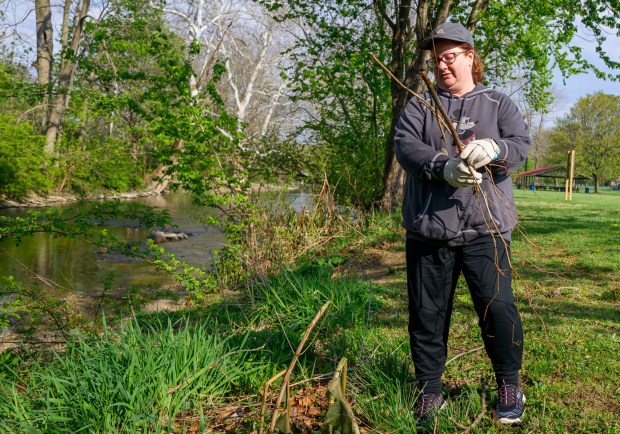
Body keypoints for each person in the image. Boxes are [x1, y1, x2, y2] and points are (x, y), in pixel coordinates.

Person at [394, 22, 531, 426]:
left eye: (449, 56)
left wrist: (495, 148)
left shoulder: (498, 103)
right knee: (428, 313)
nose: (441, 65)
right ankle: (429, 392)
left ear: (471, 55)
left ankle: (509, 384)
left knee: (498, 308)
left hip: (486, 228)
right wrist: (443, 166)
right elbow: (406, 147)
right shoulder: (421, 104)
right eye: (436, 59)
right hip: (429, 228)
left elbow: (521, 147)